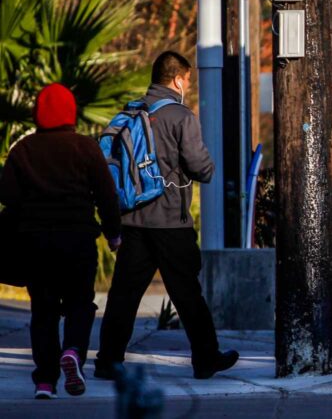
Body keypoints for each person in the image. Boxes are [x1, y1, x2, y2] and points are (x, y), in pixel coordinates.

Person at [95, 51, 238, 380]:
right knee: (187, 293)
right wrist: (207, 165)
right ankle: (205, 358)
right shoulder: (181, 115)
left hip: (133, 220)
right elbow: (202, 168)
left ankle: (107, 361)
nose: (188, 84)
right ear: (177, 79)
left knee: (124, 295)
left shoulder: (131, 112)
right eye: (188, 79)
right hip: (170, 221)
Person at [0, 84, 122, 399]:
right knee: (80, 303)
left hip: (34, 243)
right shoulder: (85, 148)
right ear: (70, 112)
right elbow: (107, 196)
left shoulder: (22, 150)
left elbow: (8, 198)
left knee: (43, 311)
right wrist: (113, 233)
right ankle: (73, 352)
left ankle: (45, 381)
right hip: (78, 240)